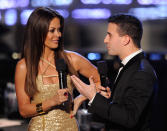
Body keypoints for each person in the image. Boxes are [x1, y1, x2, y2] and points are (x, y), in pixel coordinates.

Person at [14, 7, 100, 131]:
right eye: (52, 30)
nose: (58, 35)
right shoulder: (24, 66)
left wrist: (81, 98)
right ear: (38, 32)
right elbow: (24, 110)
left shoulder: (71, 59)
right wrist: (52, 102)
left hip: (69, 127)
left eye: (59, 30)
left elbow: (101, 80)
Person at [71, 14, 158, 131]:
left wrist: (92, 96)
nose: (105, 40)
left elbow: (129, 118)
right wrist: (99, 98)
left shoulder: (141, 73)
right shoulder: (131, 67)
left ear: (126, 39)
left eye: (109, 35)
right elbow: (120, 110)